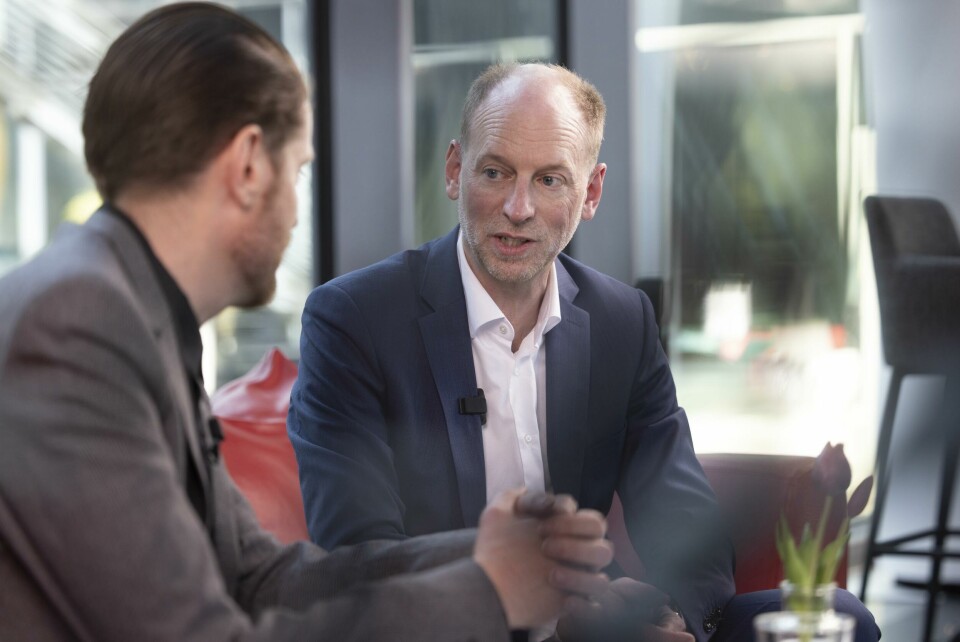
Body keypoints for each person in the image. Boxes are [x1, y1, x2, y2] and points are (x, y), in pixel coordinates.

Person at [0, 6, 616, 640]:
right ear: (247, 166)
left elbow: (261, 579)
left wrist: (494, 557)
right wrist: (488, 592)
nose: (298, 209)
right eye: (298, 170)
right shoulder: (78, 327)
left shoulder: (128, 310)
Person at [288, 63, 881, 641]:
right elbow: (359, 554)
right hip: (450, 623)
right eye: (495, 172)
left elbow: (681, 515)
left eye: (549, 180)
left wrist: (671, 620)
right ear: (454, 169)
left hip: (602, 622)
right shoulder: (354, 321)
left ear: (591, 191)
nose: (517, 208)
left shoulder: (621, 320)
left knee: (841, 619)